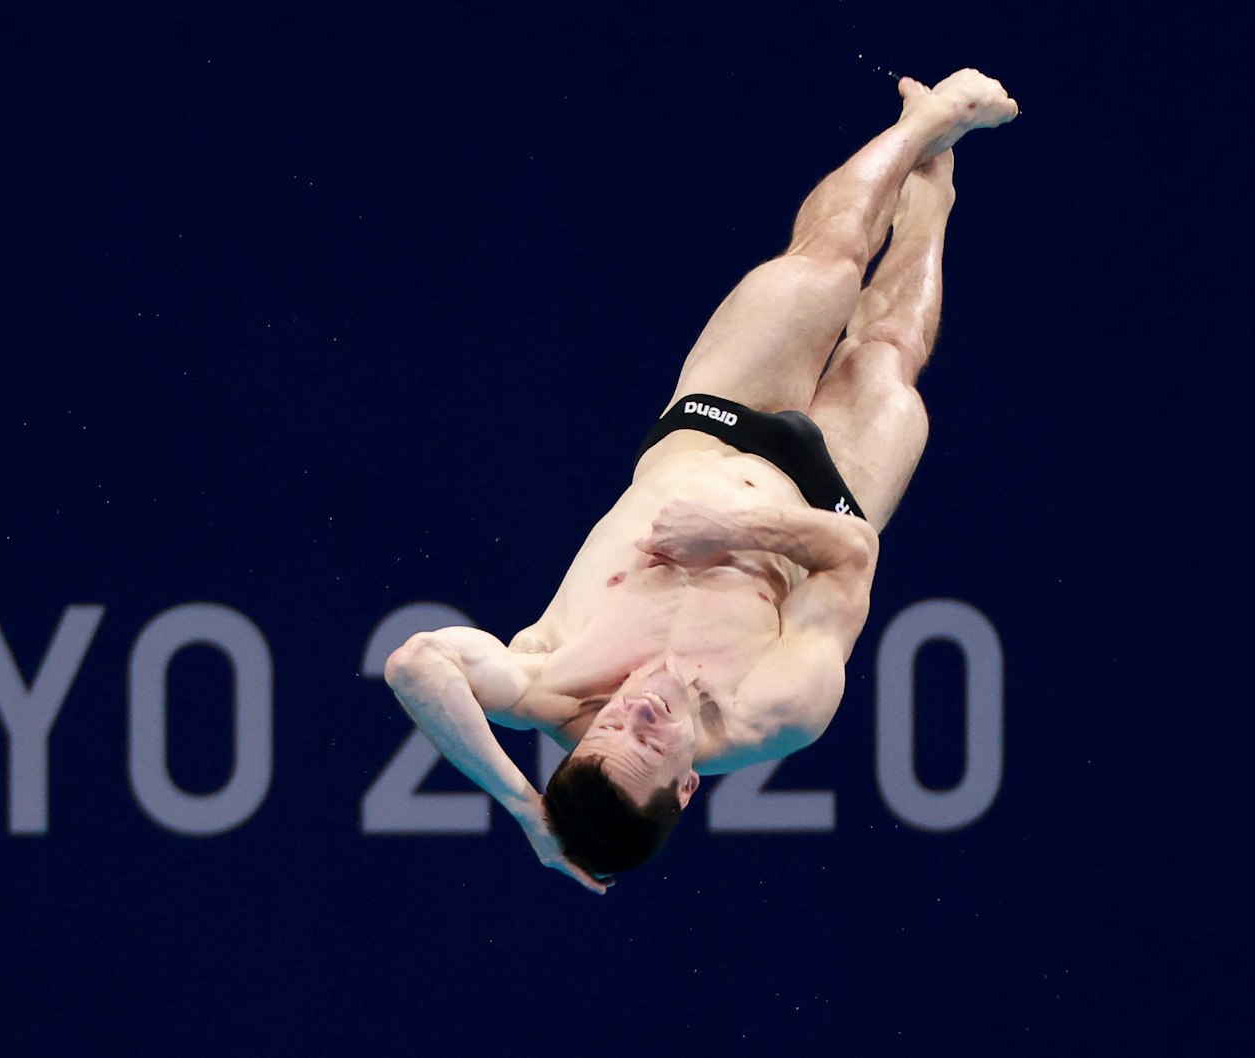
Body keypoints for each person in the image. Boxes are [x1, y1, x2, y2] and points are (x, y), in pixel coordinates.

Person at [384, 69, 1018, 893]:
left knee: (827, 258)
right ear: (686, 787)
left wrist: (524, 809)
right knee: (889, 349)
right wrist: (735, 532)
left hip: (715, 421)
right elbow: (855, 555)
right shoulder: (777, 713)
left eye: (610, 730)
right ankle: (935, 188)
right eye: (650, 741)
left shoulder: (546, 682)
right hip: (827, 496)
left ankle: (924, 123)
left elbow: (415, 663)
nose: (636, 712)